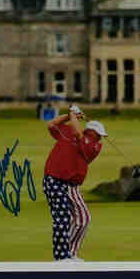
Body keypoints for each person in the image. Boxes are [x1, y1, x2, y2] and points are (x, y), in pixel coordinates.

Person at [42, 104, 107, 262]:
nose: (100, 138)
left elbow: (79, 134)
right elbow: (51, 124)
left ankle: (67, 254)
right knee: (63, 218)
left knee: (80, 218)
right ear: (92, 132)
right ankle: (63, 256)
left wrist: (72, 115)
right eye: (99, 135)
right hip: (54, 179)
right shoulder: (70, 132)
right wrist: (69, 116)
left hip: (69, 184)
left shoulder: (94, 146)